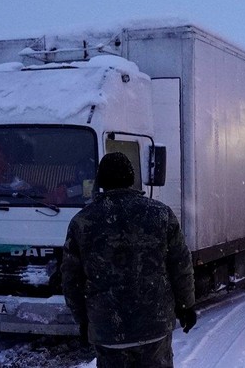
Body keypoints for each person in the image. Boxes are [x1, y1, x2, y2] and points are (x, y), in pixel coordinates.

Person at [61, 152, 197, 368]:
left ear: (101, 182)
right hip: (154, 325)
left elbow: (71, 280)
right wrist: (186, 306)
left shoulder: (82, 222)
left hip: (108, 328)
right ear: (131, 179)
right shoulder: (160, 214)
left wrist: (83, 320)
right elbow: (180, 265)